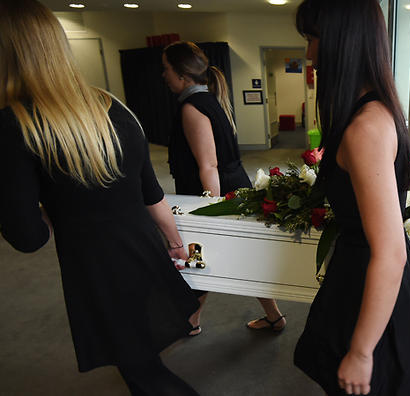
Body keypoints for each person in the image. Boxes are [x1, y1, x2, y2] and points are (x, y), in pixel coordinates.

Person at [0, 2, 200, 394]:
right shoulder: (111, 107)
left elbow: (28, 237)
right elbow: (151, 194)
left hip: (98, 271)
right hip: (145, 253)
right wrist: (175, 243)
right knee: (142, 360)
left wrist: (56, 205)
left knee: (147, 376)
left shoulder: (14, 125)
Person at [293, 0, 410, 394]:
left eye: (313, 38)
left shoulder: (365, 127)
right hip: (362, 278)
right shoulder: (374, 109)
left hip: (368, 283)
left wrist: (360, 351)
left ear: (343, 39)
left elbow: (390, 253)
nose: (309, 53)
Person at [162, 41, 286, 334]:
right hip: (231, 187)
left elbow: (209, 165)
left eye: (166, 69)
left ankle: (191, 321)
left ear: (182, 74)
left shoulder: (193, 108)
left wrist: (211, 210)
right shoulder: (209, 101)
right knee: (232, 257)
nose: (163, 76)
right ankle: (273, 317)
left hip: (218, 193)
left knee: (202, 257)